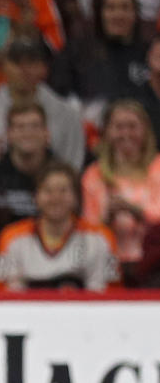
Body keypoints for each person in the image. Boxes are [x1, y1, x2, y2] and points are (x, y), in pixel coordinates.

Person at [0, 161, 121, 290]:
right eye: (48, 191)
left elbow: (111, 295)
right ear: (35, 197)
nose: (56, 198)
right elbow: (0, 294)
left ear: (76, 197)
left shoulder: (101, 238)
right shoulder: (11, 239)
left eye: (63, 190)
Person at [0, 37, 84, 175]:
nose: (24, 69)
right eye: (16, 61)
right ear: (3, 66)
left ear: (44, 68)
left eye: (32, 61)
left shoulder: (67, 114)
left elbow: (72, 169)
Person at [80, 98, 160, 264]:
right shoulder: (94, 175)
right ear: (107, 132)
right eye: (118, 127)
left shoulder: (158, 168)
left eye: (132, 126)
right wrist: (107, 218)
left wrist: (136, 212)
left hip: (154, 263)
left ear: (145, 130)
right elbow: (88, 229)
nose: (126, 134)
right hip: (108, 263)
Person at [0, 102, 55, 265]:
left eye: (34, 126)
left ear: (47, 133)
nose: (28, 133)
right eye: (20, 127)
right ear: (8, 135)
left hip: (55, 261)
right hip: (2, 263)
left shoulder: (64, 180)